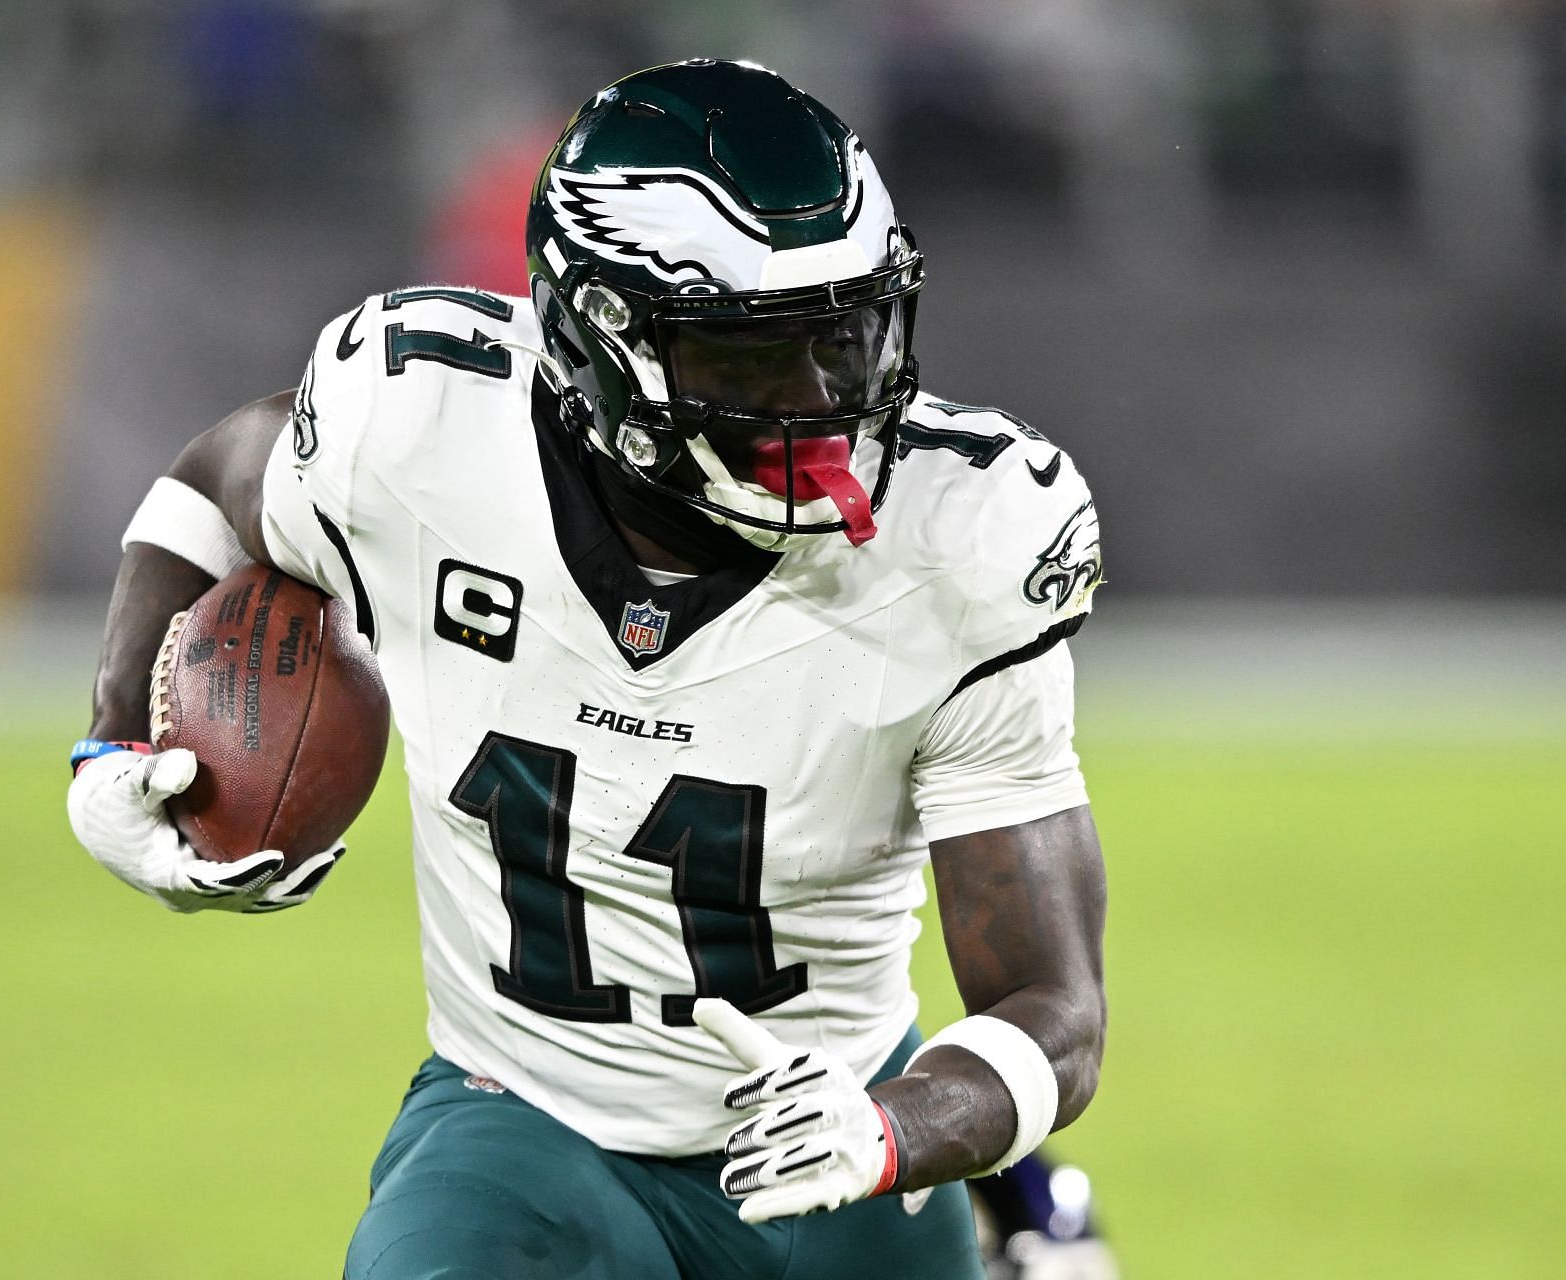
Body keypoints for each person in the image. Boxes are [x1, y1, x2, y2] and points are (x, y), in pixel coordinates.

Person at [68, 58, 1107, 1280]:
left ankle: (1013, 1220)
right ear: (607, 346)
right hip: (520, 1110)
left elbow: (1055, 1009)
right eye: (759, 356)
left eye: (847, 334)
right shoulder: (415, 429)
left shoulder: (963, 541)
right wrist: (111, 742)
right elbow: (211, 489)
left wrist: (891, 1128)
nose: (828, 403)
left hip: (832, 1121)